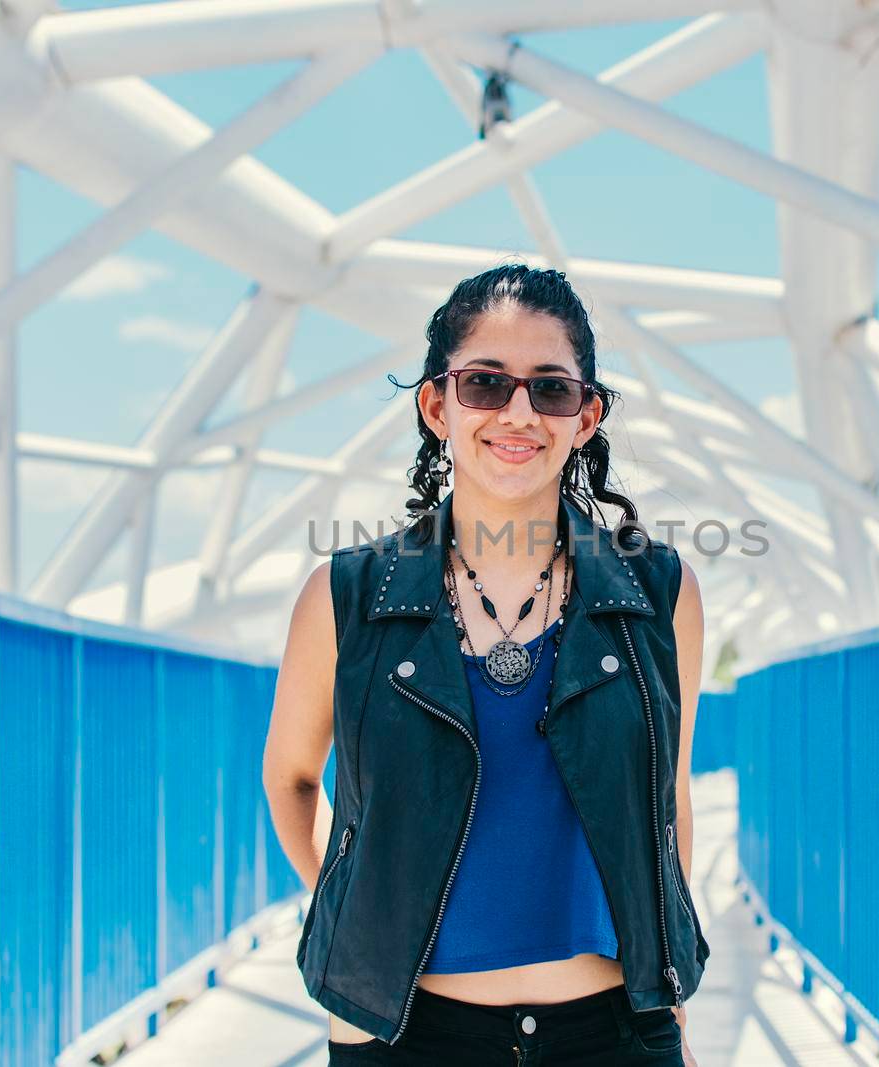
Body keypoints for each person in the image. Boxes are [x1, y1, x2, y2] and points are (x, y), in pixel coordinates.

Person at [264, 264, 709, 1064]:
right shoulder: (347, 597)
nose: (518, 413)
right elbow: (292, 778)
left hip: (614, 1035)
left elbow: (668, 798)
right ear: (438, 405)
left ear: (587, 414)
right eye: (485, 383)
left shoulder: (660, 591)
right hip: (404, 1035)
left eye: (551, 389)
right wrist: (365, 911)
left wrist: (669, 984)